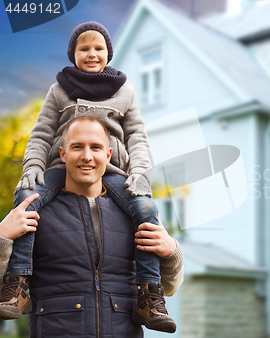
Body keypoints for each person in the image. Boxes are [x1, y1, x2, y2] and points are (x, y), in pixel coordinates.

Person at [0, 22, 173, 332]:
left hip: (121, 176)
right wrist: (32, 171)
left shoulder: (125, 90)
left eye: (98, 48)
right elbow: (40, 134)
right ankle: (17, 285)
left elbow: (137, 136)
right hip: (56, 325)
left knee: (147, 208)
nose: (87, 156)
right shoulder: (60, 89)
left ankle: (150, 297)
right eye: (84, 49)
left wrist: (141, 177)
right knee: (27, 199)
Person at [0, 116, 183, 337]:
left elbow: (170, 287)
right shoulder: (34, 211)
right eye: (77, 147)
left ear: (108, 155)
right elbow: (7, 290)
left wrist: (172, 251)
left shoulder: (134, 213)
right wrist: (2, 236)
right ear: (63, 154)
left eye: (95, 147)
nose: (87, 156)